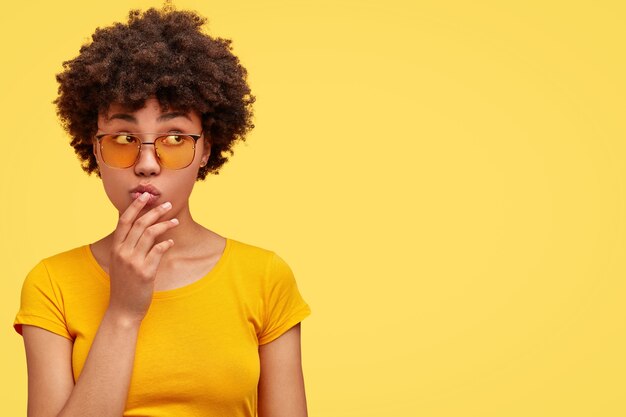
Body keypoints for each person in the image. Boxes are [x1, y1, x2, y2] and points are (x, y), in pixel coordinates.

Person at [13, 5, 311, 417]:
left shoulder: (264, 277)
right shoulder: (51, 284)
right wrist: (122, 312)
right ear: (95, 149)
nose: (147, 163)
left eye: (174, 137)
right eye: (123, 137)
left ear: (206, 148)